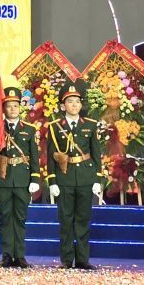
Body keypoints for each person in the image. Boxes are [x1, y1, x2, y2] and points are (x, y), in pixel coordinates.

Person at [46, 81, 103, 270]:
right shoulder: (55, 127)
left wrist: (97, 178)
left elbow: (96, 154)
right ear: (63, 105)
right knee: (65, 220)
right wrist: (52, 180)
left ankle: (83, 259)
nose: (74, 105)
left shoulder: (90, 125)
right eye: (70, 102)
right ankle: (66, 260)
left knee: (83, 219)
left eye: (77, 101)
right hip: (65, 177)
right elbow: (51, 155)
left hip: (85, 177)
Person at [0, 87, 41, 268]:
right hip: (2, 179)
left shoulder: (30, 130)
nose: (12, 109)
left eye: (15, 105)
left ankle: (20, 255)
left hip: (22, 179)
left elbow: (34, 156)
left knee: (20, 218)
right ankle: (7, 255)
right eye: (9, 106)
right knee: (5, 218)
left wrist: (34, 178)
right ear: (3, 108)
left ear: (20, 107)